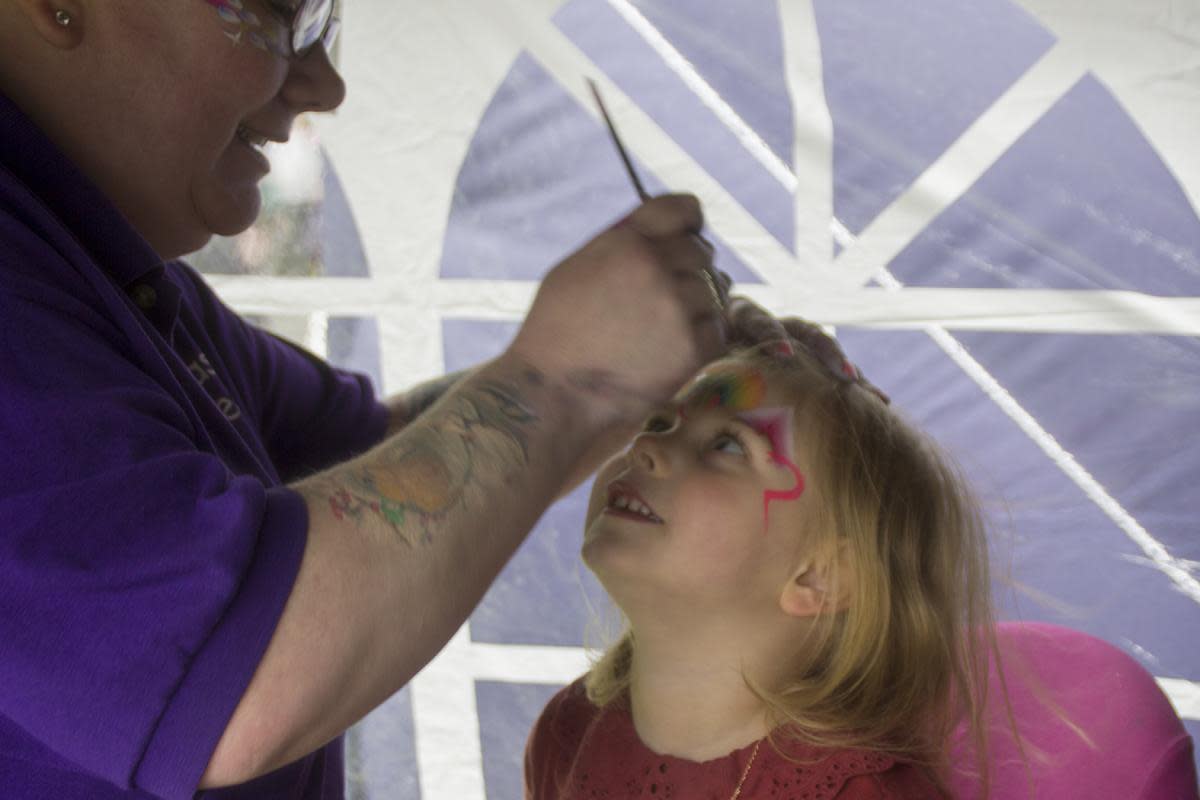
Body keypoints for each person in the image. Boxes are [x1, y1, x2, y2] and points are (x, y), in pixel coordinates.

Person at [0, 0, 733, 797]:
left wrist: (622, 375)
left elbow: (380, 457)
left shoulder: (104, 275)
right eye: (283, 14)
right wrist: (564, 378)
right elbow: (229, 683)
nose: (323, 85)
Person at [524, 323, 1005, 799]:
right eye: (657, 423)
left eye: (727, 444)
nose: (647, 446)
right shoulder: (566, 732)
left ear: (820, 575)